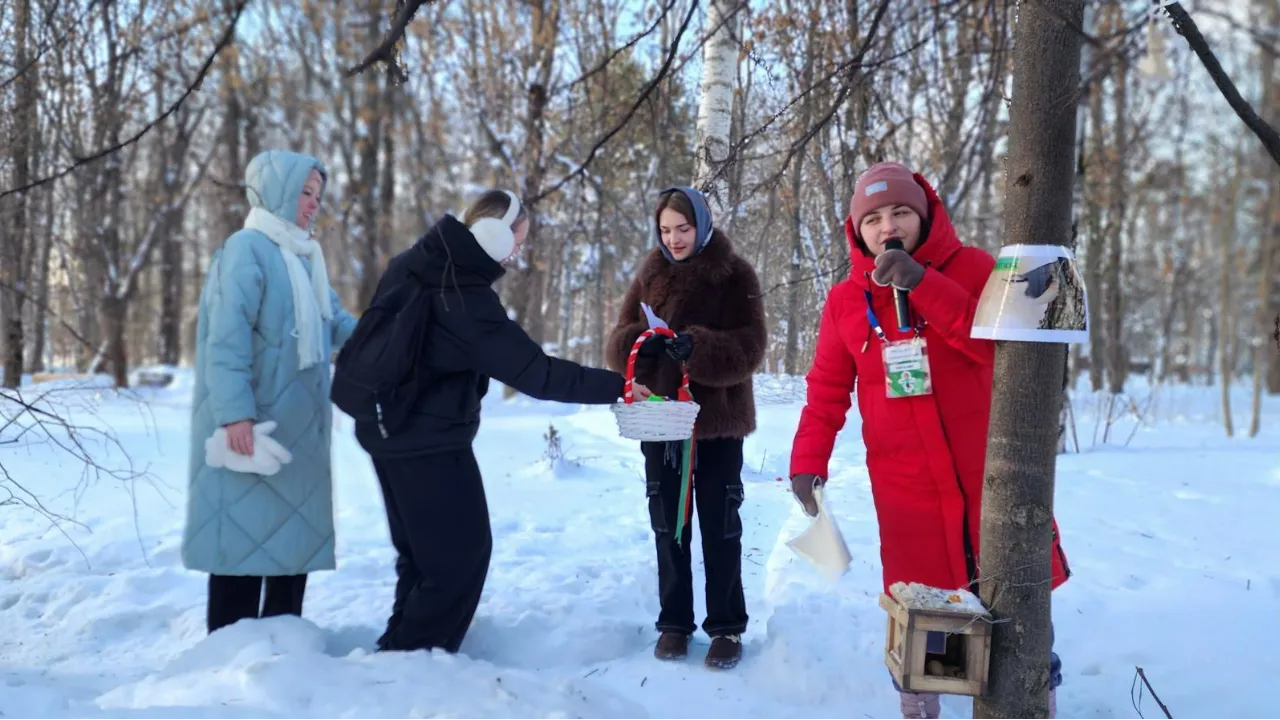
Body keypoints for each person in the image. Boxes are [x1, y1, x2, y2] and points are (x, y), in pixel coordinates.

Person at [786, 162, 1071, 719]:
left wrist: (923, 284)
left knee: (1017, 618)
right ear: (856, 230)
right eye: (872, 219)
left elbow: (1004, 354)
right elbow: (825, 390)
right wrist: (807, 461)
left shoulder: (978, 270)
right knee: (930, 634)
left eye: (899, 213)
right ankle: (923, 709)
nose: (886, 227)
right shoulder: (846, 301)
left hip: (991, 479)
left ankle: (1032, 707)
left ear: (923, 216)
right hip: (908, 494)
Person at [354, 189, 628, 654]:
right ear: (493, 234)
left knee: (422, 559)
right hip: (429, 443)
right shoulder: (463, 295)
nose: (518, 251)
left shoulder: (417, 262)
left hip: (386, 431)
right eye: (517, 240)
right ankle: (416, 657)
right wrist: (618, 386)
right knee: (460, 559)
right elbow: (536, 373)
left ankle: (400, 654)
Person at [183, 150, 359, 634]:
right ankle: (227, 658)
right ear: (275, 191)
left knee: (290, 544)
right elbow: (225, 339)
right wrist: (234, 414)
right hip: (254, 427)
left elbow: (337, 325)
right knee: (241, 543)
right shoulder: (245, 250)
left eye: (318, 195)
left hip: (298, 430)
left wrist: (394, 331)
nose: (312, 204)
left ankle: (284, 653)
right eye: (304, 192)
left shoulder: (306, 259)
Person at [605, 186, 767, 670]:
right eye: (665, 230)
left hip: (717, 420)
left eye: (683, 228)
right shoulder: (649, 274)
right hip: (660, 417)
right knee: (667, 524)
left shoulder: (735, 275)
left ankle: (726, 627)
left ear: (702, 225)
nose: (674, 239)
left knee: (720, 524)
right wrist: (644, 344)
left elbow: (752, 345)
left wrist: (696, 350)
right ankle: (674, 622)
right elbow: (618, 341)